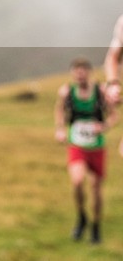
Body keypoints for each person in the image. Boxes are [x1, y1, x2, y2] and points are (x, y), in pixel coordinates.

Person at [54, 57, 117, 244]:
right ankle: (81, 216)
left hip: (96, 146)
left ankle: (96, 227)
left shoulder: (100, 92)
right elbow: (59, 110)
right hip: (77, 144)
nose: (80, 75)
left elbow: (114, 115)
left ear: (89, 72)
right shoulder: (67, 93)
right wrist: (60, 129)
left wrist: (104, 126)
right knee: (78, 181)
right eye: (76, 71)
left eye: (83, 71)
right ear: (73, 74)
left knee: (96, 189)